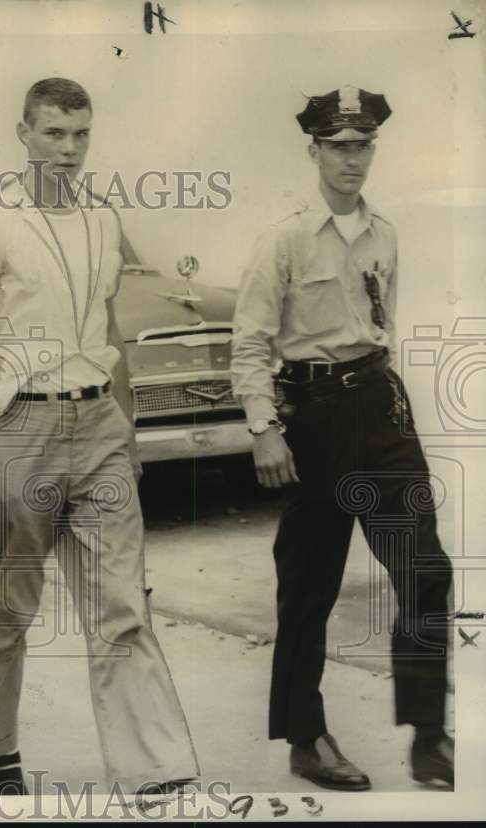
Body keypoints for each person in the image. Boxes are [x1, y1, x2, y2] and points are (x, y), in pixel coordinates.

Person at [0, 77, 200, 796]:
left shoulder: (102, 220)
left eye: (80, 134)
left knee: (123, 601)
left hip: (98, 427)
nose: (68, 149)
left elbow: (110, 331)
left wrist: (128, 431)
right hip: (20, 424)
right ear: (23, 132)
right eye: (53, 133)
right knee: (11, 606)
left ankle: (151, 766)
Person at [231, 86, 454, 790]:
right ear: (315, 151)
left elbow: (381, 325)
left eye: (362, 146)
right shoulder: (286, 237)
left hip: (380, 407)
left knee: (425, 571)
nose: (352, 159)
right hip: (315, 417)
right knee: (309, 586)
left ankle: (428, 735)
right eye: (338, 146)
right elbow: (250, 342)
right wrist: (265, 430)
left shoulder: (383, 232)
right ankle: (305, 737)